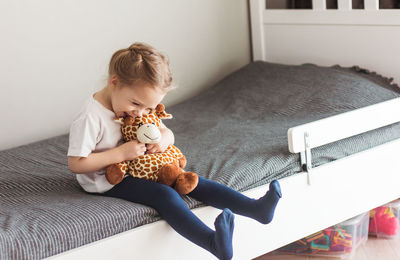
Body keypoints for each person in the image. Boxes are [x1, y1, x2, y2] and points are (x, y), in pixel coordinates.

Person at [67, 42, 282, 260]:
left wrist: (162, 140)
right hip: (108, 179)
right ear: (115, 82)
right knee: (165, 195)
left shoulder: (138, 105)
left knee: (192, 181)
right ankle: (212, 242)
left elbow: (165, 131)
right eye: (135, 104)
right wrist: (121, 154)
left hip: (141, 167)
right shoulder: (90, 116)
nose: (141, 113)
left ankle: (256, 209)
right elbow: (76, 163)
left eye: (149, 108)